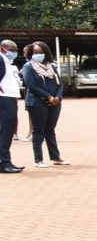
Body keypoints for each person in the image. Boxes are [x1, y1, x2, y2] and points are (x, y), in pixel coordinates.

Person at [22, 41, 69, 169]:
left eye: (40, 52)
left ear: (46, 53)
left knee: (50, 130)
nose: (38, 54)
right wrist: (48, 97)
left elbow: (60, 84)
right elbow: (31, 86)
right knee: (39, 131)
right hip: (37, 103)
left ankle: (55, 157)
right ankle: (38, 160)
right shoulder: (28, 67)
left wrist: (58, 98)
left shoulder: (52, 67)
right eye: (35, 52)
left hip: (55, 103)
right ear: (31, 54)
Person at [0, 40, 23, 173]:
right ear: (3, 49)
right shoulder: (0, 59)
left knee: (8, 131)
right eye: (12, 49)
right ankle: (4, 162)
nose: (14, 52)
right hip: (4, 99)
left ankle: (6, 160)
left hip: (9, 98)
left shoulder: (6, 61)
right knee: (6, 131)